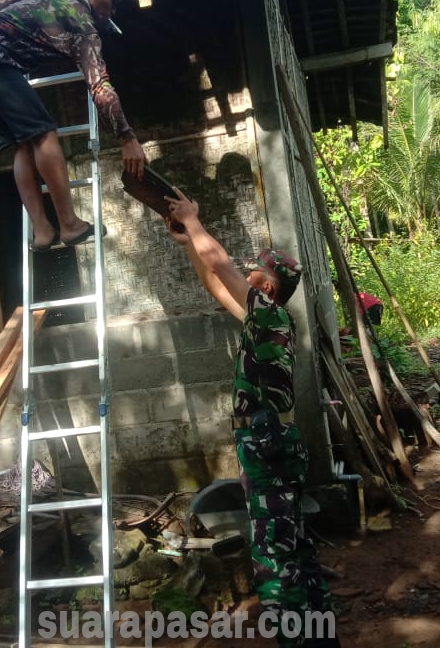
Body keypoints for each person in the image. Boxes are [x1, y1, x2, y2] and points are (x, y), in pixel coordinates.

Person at [165, 189, 339, 648]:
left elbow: (221, 266)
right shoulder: (263, 318)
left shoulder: (270, 317)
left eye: (255, 268)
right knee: (291, 542)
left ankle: (296, 638)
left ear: (267, 287)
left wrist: (194, 220)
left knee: (273, 552)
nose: (246, 268)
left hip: (266, 444)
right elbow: (217, 284)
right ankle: (319, 637)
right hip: (268, 441)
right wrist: (189, 244)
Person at [0, 0, 146, 251]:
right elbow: (100, 85)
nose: (113, 10)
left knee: (23, 143)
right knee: (44, 134)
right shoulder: (80, 21)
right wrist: (127, 137)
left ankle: (42, 231)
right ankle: (69, 224)